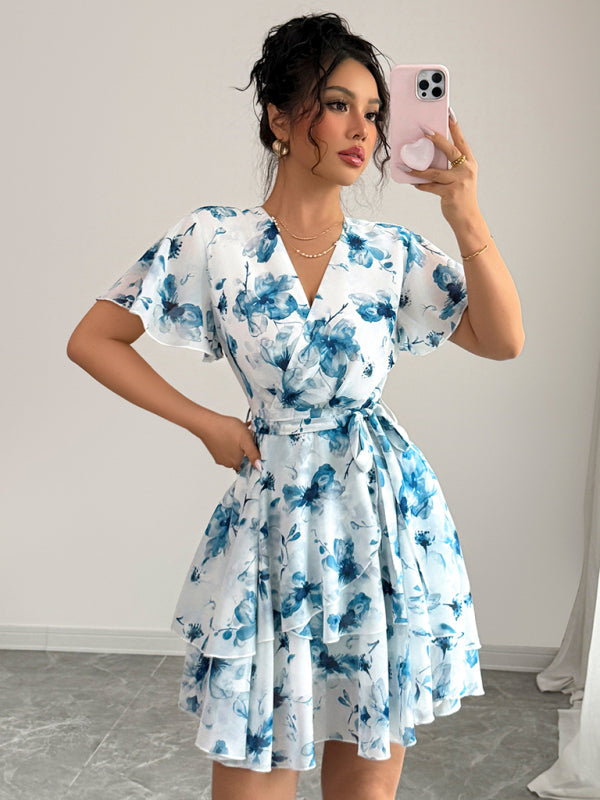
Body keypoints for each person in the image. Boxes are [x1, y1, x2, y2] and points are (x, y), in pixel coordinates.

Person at [67, 12, 524, 800]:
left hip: (380, 519)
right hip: (273, 521)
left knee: (365, 785)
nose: (363, 129)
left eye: (373, 112)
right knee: (255, 771)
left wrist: (465, 213)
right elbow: (93, 339)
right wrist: (205, 423)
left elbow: (503, 338)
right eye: (338, 105)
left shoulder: (391, 252)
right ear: (280, 119)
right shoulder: (216, 240)